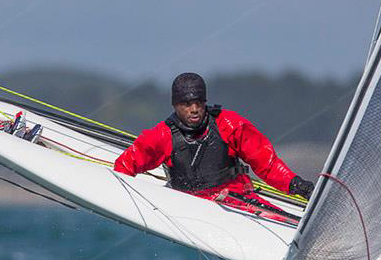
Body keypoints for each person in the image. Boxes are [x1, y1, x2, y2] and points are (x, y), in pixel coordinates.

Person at [114, 73, 314, 209]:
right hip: (190, 205)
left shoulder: (229, 124)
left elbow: (266, 164)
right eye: (186, 104)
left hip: (237, 198)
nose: (194, 109)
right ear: (175, 105)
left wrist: (297, 185)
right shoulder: (161, 136)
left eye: (199, 102)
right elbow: (124, 165)